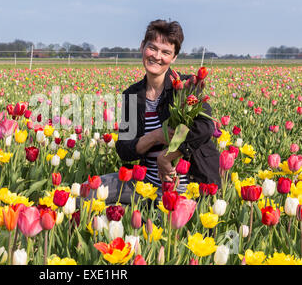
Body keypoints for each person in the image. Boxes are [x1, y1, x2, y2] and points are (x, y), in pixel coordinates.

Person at [84, 19, 221, 206]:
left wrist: (166, 157)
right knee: (87, 193)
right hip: (146, 185)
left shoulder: (186, 86)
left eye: (166, 52)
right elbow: (124, 149)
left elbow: (205, 127)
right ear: (142, 47)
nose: (157, 56)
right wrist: (155, 136)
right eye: (152, 48)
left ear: (174, 58)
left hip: (189, 186)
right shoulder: (133, 94)